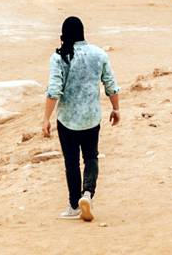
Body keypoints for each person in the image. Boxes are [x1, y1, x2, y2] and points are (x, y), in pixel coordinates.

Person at [41, 16, 119, 222]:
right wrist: (116, 109)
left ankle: (75, 205)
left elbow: (54, 90)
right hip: (92, 117)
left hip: (67, 119)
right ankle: (87, 194)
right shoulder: (99, 54)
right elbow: (110, 84)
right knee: (91, 157)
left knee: (72, 162)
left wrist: (46, 118)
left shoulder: (59, 57)